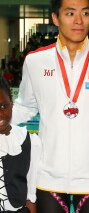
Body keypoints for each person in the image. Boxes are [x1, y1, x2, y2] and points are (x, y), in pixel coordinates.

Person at [12, 0, 89, 213]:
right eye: (70, 13)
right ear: (55, 18)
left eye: (85, 13)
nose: (79, 21)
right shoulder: (35, 61)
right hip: (48, 177)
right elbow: (25, 107)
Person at [0, 76, 41, 213]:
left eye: (3, 106)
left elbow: (31, 197)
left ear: (11, 101)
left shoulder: (28, 142)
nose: (0, 114)